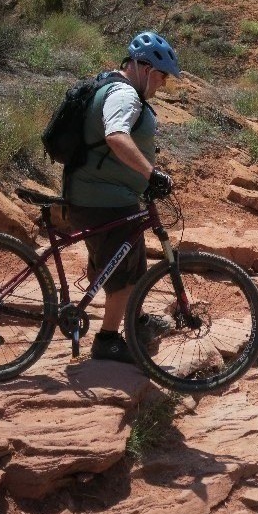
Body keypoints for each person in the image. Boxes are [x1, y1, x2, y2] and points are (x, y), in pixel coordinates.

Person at [65, 31, 179, 363]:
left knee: (134, 264)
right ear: (144, 68)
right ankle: (108, 340)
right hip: (101, 200)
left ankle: (137, 320)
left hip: (113, 197)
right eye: (161, 77)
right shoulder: (124, 94)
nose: (161, 85)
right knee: (122, 276)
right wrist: (150, 173)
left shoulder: (117, 88)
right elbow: (116, 136)